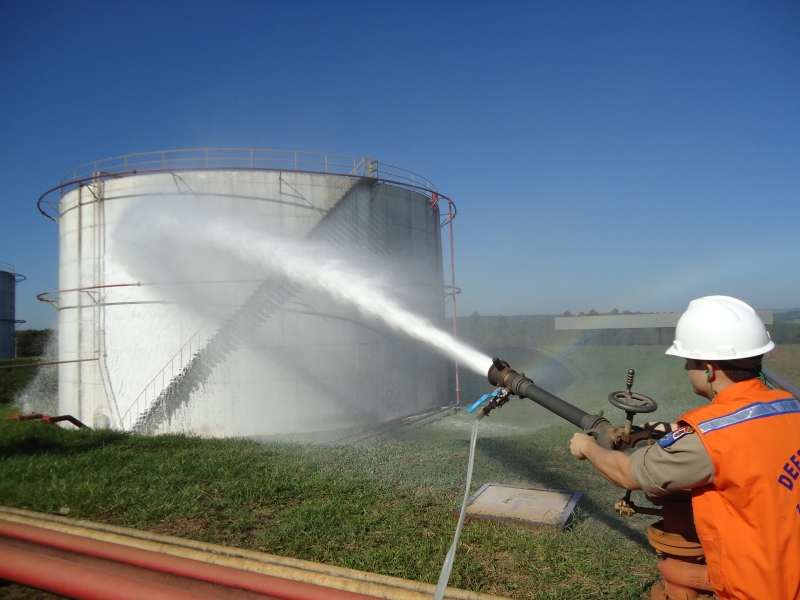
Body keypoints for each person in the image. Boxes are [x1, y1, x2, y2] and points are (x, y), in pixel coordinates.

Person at [568, 295, 800, 600]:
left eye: (689, 360)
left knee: (675, 573)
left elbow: (627, 473)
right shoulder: (788, 406)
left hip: (762, 589)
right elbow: (745, 434)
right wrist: (667, 429)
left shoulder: (709, 440)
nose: (686, 367)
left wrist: (586, 447)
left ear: (709, 369)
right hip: (790, 569)